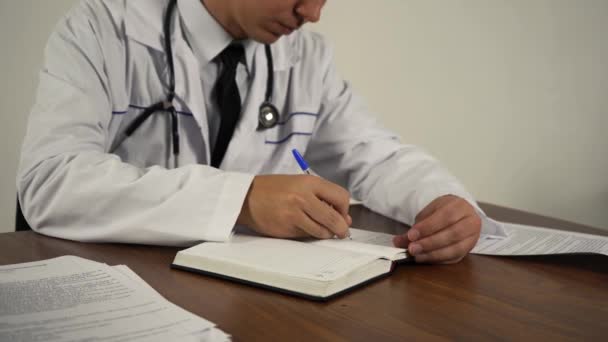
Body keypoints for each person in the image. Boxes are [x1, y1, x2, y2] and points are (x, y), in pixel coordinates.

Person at [17, 0, 504, 264]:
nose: (312, 13)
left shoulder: (305, 58)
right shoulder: (101, 30)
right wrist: (242, 198)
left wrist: (441, 201)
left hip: (251, 296)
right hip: (122, 287)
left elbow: (373, 155)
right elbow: (50, 182)